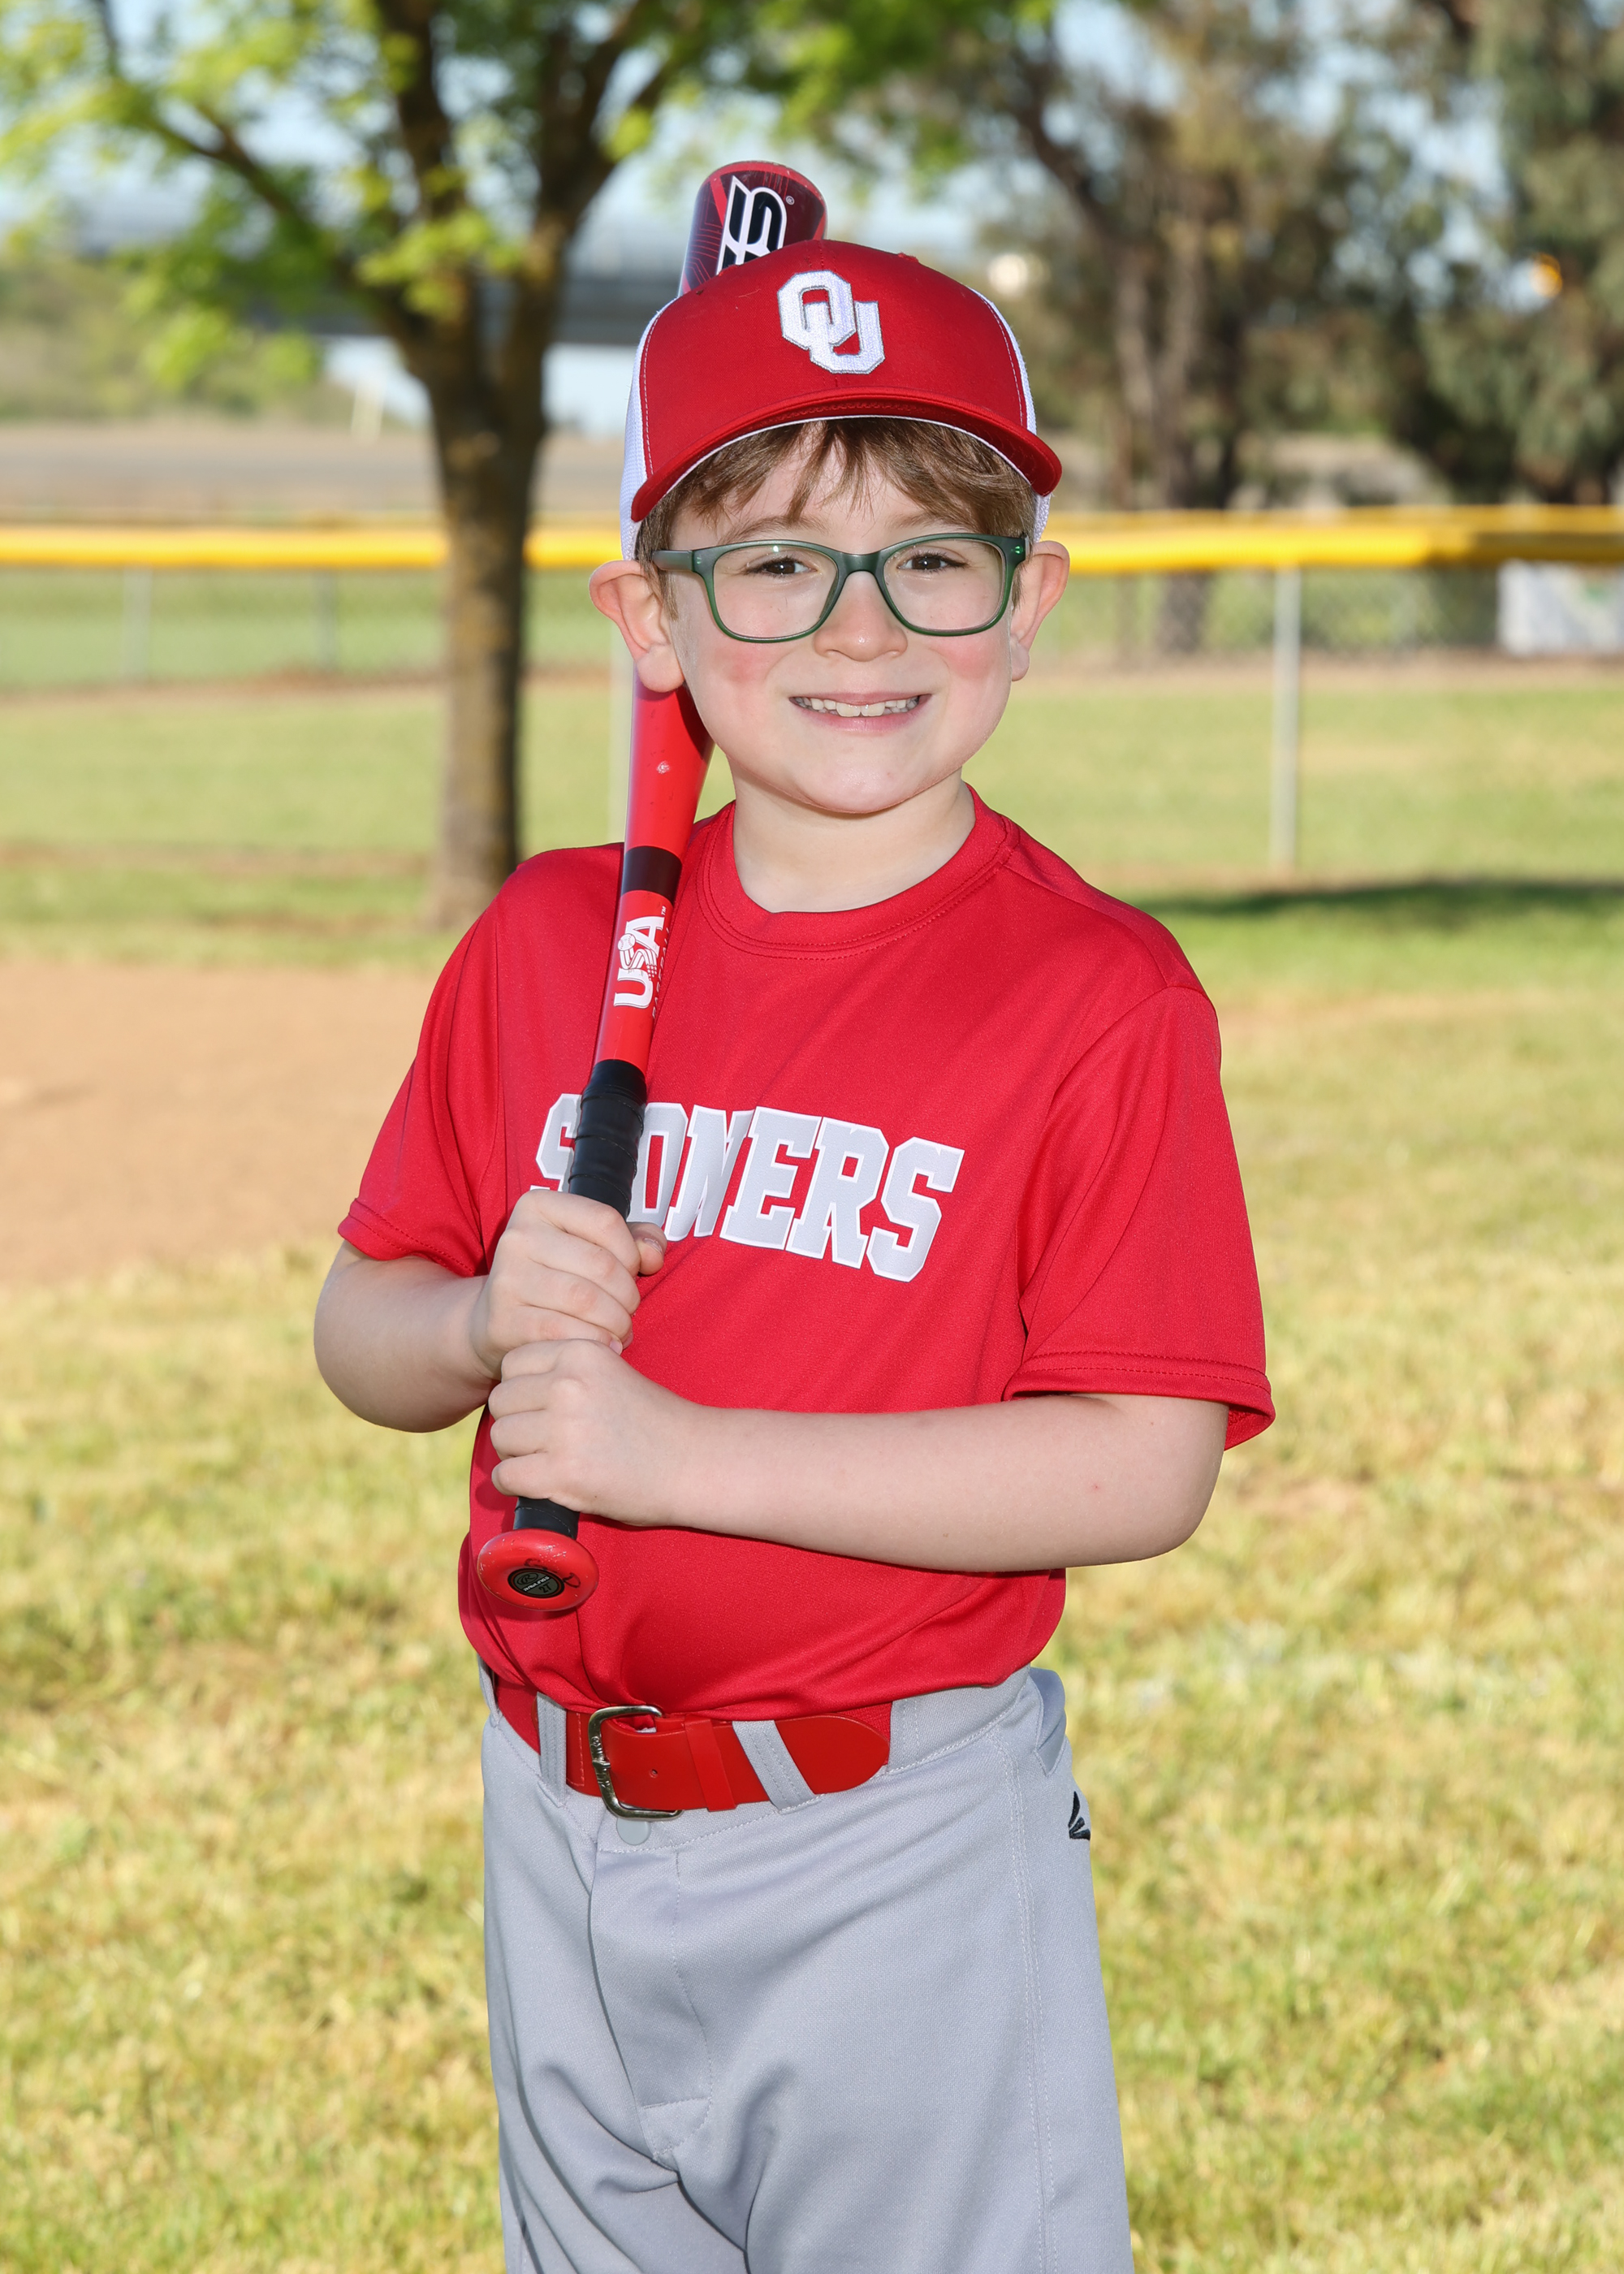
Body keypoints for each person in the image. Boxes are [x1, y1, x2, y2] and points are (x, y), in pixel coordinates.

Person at [314, 236, 1272, 2274]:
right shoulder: (546, 943)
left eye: (933, 558)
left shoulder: (1095, 995)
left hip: (894, 1840)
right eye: (772, 563)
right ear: (652, 616)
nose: (862, 623)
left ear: (1030, 600)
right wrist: (480, 1319)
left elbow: (1144, 1460)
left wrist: (678, 1455)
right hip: (555, 1812)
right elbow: (362, 1323)